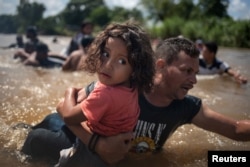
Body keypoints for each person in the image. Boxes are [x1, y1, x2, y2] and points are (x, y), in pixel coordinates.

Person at [21, 37, 250, 166]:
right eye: (186, 71)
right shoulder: (123, 87)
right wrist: (96, 144)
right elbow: (63, 108)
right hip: (65, 135)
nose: (194, 80)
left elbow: (237, 130)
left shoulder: (187, 107)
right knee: (30, 143)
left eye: (195, 72)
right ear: (160, 65)